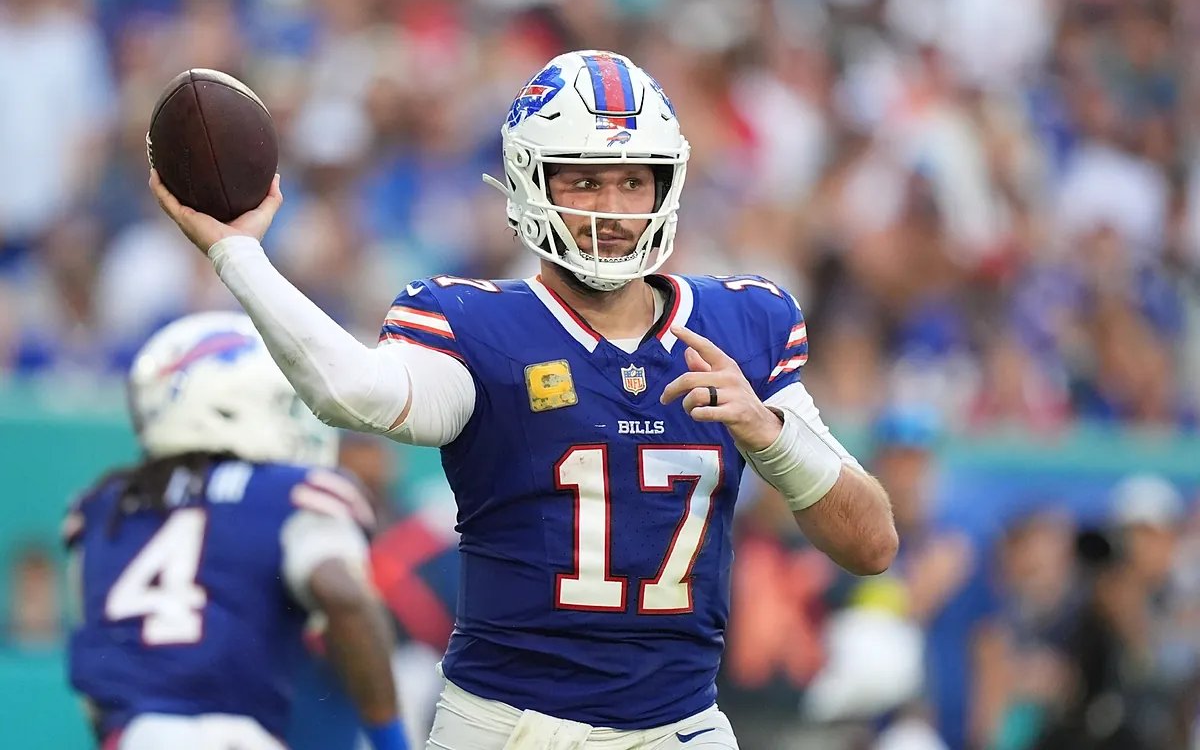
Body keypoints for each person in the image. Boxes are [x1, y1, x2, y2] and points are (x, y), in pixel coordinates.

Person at [150, 49, 898, 749]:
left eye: (634, 180)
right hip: (509, 727)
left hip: (680, 726)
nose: (613, 207)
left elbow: (871, 545)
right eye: (584, 179)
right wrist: (238, 254)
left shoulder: (742, 323)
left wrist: (770, 434)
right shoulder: (478, 325)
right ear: (530, 183)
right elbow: (355, 393)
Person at [65, 311, 408, 750]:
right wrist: (391, 741)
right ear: (227, 404)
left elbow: (92, 666)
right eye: (280, 406)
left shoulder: (100, 508)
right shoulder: (291, 494)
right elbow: (344, 597)